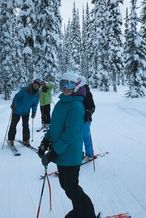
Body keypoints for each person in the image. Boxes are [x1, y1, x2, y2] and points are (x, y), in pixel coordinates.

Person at [38, 72, 97, 218]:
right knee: (66, 186)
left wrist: (53, 153)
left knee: (71, 187)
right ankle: (79, 211)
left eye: (69, 84)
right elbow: (54, 126)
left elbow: (70, 134)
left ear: (76, 86)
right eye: (63, 84)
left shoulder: (76, 107)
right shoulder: (60, 103)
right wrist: (45, 142)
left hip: (70, 154)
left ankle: (87, 213)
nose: (65, 88)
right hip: (61, 153)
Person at [7, 79, 41, 146]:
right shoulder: (25, 90)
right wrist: (14, 104)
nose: (35, 85)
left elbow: (35, 104)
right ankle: (11, 139)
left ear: (39, 86)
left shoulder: (37, 95)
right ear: (33, 83)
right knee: (13, 125)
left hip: (26, 112)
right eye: (35, 83)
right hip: (17, 110)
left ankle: (26, 140)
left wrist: (34, 112)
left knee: (25, 126)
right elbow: (17, 97)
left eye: (37, 84)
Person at [82, 81, 96, 162]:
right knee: (78, 138)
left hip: (86, 119)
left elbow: (92, 107)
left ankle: (89, 154)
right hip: (77, 119)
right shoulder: (75, 92)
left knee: (85, 137)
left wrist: (88, 111)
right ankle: (79, 154)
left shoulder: (88, 93)